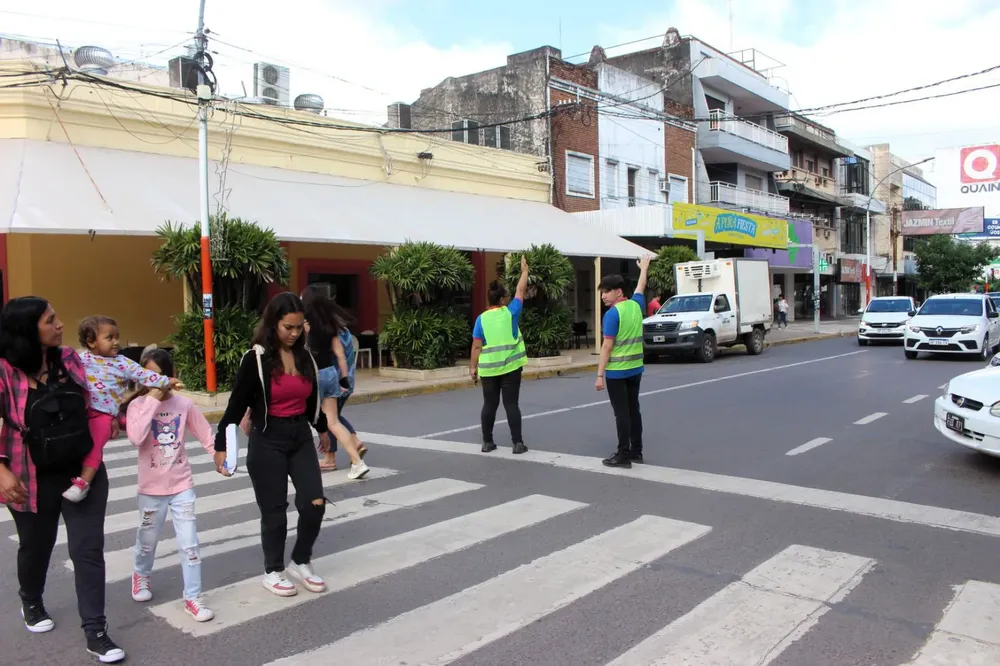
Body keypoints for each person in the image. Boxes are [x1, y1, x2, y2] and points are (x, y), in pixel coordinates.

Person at [0, 297, 125, 663]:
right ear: (27, 330)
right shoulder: (5, 369)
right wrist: (2, 470)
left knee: (87, 550)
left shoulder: (68, 358)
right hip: (28, 474)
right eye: (50, 320)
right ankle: (31, 599)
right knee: (37, 545)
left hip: (80, 469)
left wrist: (109, 420)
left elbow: (88, 403)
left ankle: (96, 631)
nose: (60, 324)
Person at [214, 292, 330, 597]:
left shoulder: (306, 357)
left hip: (300, 436)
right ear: (273, 324)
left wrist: (322, 429)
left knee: (314, 502)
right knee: (275, 510)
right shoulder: (256, 358)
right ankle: (274, 570)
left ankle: (300, 560)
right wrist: (221, 445)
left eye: (298, 327)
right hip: (268, 439)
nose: (293, 333)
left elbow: (312, 399)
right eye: (287, 327)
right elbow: (236, 405)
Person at [123, 348, 226, 623]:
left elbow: (206, 436)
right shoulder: (138, 406)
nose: (154, 380)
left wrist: (219, 458)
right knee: (147, 541)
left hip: (182, 485)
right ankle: (141, 575)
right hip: (150, 489)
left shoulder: (184, 406)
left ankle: (192, 598)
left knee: (190, 545)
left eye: (159, 375)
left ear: (172, 376)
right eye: (148, 375)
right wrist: (153, 399)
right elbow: (136, 437)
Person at [65, 315, 182, 503]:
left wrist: (166, 381)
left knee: (95, 448)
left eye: (116, 337)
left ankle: (82, 483)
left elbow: (144, 375)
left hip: (103, 415)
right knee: (133, 426)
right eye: (109, 338)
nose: (116, 342)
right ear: (91, 342)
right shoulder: (81, 359)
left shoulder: (122, 362)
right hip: (88, 411)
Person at [300, 285, 368, 478]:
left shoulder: (305, 326)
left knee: (299, 419)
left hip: (315, 375)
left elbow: (301, 351)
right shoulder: (331, 327)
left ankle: (300, 463)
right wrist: (344, 380)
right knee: (333, 421)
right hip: (331, 374)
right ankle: (357, 460)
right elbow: (340, 357)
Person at [595, 255, 652, 469]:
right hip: (635, 369)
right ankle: (636, 450)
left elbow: (607, 346)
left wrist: (599, 375)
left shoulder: (612, 314)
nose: (603, 296)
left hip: (618, 372)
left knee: (621, 414)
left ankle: (623, 454)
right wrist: (643, 269)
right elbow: (640, 286)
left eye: (606, 292)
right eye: (602, 292)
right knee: (633, 410)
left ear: (618, 292)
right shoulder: (636, 305)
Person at [471, 255, 529, 454]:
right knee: (511, 404)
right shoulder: (510, 312)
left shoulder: (481, 319)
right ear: (503, 299)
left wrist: (472, 368)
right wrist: (525, 272)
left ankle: (487, 442)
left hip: (488, 369)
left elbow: (476, 346)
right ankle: (517, 444)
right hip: (511, 368)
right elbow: (520, 290)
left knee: (489, 404)